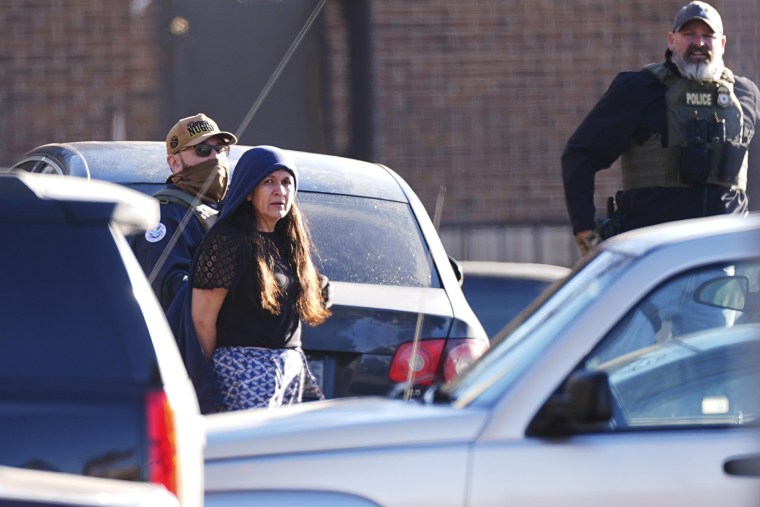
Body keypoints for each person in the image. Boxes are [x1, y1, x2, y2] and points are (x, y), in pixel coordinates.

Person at [562, 1, 760, 255]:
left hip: (722, 263)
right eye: (689, 34)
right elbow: (580, 155)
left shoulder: (745, 95)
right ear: (671, 40)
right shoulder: (638, 89)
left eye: (707, 35)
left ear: (721, 44)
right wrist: (585, 233)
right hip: (657, 263)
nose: (699, 43)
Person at [170, 145, 331, 413]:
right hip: (244, 370)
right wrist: (208, 380)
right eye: (268, 182)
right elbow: (201, 320)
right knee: (251, 453)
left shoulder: (289, 239)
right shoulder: (227, 241)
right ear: (248, 192)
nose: (280, 190)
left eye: (287, 182)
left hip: (290, 367)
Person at [131, 113, 237, 310]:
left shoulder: (233, 208)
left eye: (220, 149)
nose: (215, 157)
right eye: (203, 150)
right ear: (174, 163)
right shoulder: (165, 216)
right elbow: (168, 289)